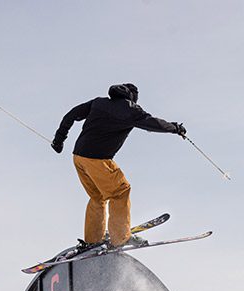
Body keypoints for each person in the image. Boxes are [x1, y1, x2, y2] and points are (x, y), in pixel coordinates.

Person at [51, 83, 186, 249]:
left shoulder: (98, 102)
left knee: (98, 197)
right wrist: (175, 128)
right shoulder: (131, 110)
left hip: (79, 157)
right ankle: (121, 237)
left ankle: (94, 238)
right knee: (121, 191)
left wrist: (59, 140)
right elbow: (153, 123)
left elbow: (71, 115)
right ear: (132, 97)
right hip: (98, 160)